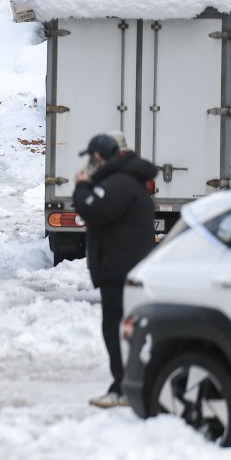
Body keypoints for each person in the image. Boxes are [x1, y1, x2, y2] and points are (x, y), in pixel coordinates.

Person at [72, 133, 157, 410]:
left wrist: (82, 186)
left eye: (91, 158)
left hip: (119, 271)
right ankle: (125, 384)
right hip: (123, 269)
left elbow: (91, 210)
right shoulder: (125, 180)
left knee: (116, 329)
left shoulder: (119, 183)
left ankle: (123, 386)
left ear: (98, 157)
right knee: (121, 330)